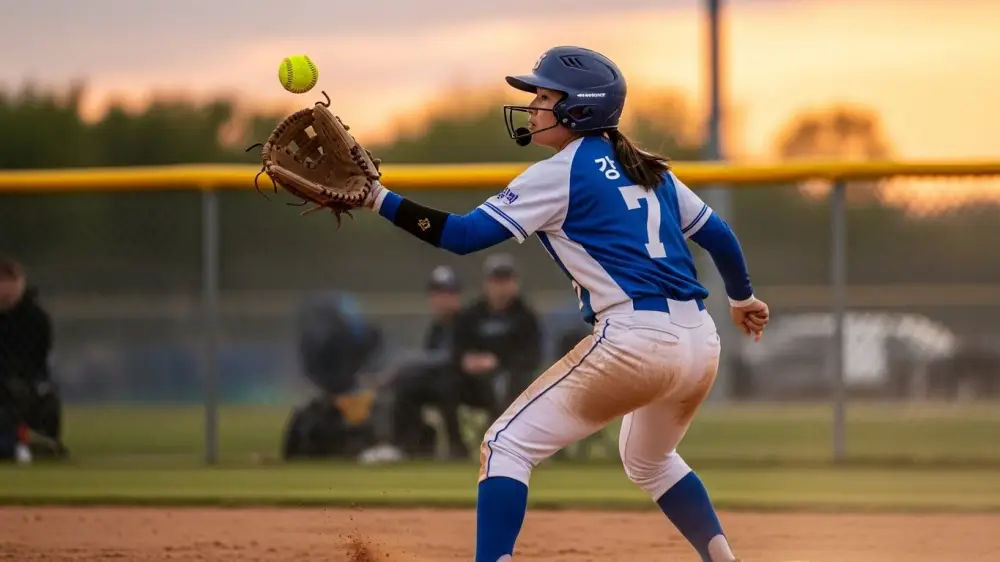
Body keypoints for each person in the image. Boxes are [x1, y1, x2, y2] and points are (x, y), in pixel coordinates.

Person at [358, 46, 768, 562]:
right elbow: (721, 235)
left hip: (637, 340)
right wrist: (742, 298)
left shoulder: (561, 171)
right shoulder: (648, 168)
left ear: (579, 108)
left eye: (545, 96)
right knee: (649, 460)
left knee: (505, 445)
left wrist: (378, 199)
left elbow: (462, 237)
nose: (533, 106)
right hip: (700, 344)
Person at [388, 265, 468, 458]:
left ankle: (457, 447)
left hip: (467, 383)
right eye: (437, 293)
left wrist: (410, 362)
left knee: (447, 384)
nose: (442, 299)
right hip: (439, 383)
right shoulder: (436, 328)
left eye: (448, 293)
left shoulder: (466, 322)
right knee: (405, 385)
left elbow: (452, 358)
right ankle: (412, 445)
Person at [452, 253, 543, 418]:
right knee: (446, 383)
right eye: (496, 281)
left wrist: (497, 362)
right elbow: (459, 346)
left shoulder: (526, 316)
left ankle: (501, 438)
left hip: (511, 378)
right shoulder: (471, 315)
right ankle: (453, 441)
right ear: (486, 283)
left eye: (506, 280)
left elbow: (532, 355)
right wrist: (467, 360)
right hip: (472, 380)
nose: (501, 287)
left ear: (516, 283)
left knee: (509, 385)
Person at [0, 256, 66, 460]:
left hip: (26, 382)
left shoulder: (36, 319)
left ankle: (38, 441)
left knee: (46, 399)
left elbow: (39, 359)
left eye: (11, 282)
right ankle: (18, 445)